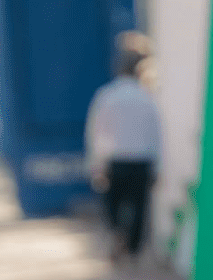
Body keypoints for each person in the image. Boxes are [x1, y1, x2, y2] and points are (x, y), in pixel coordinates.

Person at [85, 30, 162, 265]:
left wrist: (96, 164)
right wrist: (158, 165)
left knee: (113, 208)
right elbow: (156, 135)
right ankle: (133, 251)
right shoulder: (147, 98)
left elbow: (96, 133)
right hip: (142, 161)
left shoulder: (107, 96)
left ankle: (117, 234)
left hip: (116, 161)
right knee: (139, 209)